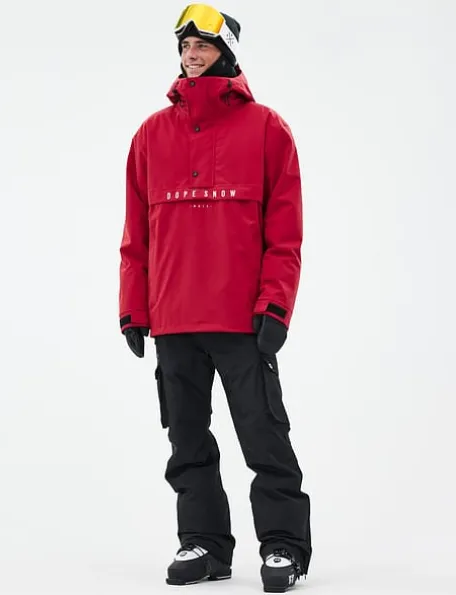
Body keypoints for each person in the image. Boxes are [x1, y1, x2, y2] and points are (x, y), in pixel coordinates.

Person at [119, 4, 312, 592]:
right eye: (184, 47)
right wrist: (133, 309)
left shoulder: (268, 129)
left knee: (264, 437)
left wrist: (276, 305)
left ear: (225, 51)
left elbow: (285, 232)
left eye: (202, 45)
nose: (191, 55)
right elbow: (136, 234)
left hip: (242, 320)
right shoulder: (151, 135)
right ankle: (204, 544)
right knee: (187, 442)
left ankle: (283, 547)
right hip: (174, 319)